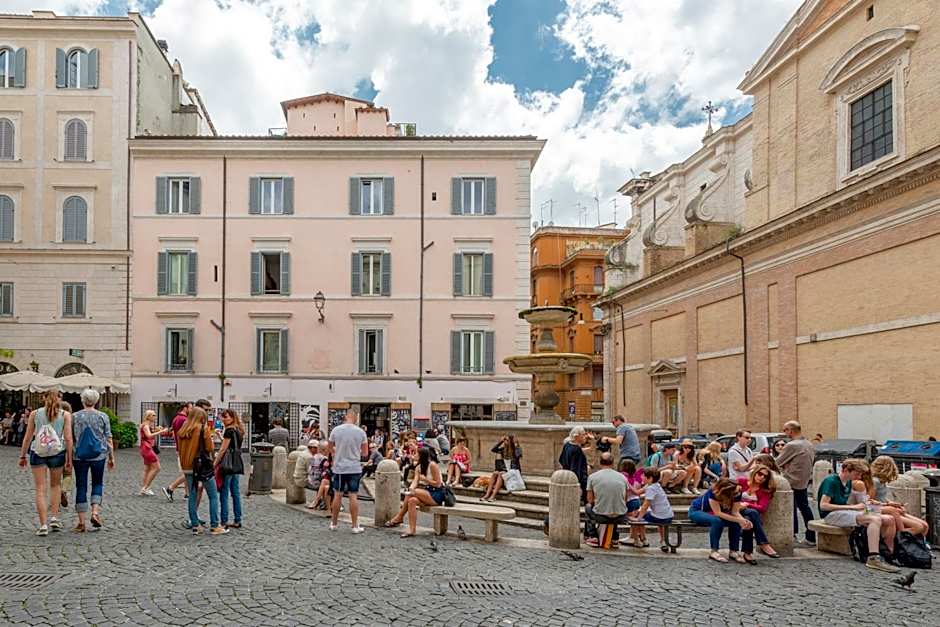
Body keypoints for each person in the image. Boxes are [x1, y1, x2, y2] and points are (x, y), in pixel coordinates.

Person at [817, 458, 898, 572]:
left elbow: (858, 502)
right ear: (846, 470)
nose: (859, 477)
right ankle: (873, 557)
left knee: (889, 519)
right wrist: (852, 507)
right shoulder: (832, 481)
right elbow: (823, 505)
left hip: (843, 512)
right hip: (830, 515)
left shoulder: (849, 482)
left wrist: (875, 505)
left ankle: (888, 554)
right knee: (873, 520)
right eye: (857, 473)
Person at [18, 390, 73, 536]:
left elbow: (28, 437)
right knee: (55, 486)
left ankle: (43, 525)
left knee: (40, 489)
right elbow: (68, 438)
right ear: (60, 399)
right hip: (57, 452)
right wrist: (69, 459)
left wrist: (22, 456)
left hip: (38, 452)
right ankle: (54, 517)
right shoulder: (65, 415)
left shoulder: (34, 414)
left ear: (43, 398)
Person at [177, 407, 227, 535]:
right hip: (201, 466)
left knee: (192, 496)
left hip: (187, 466)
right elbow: (209, 447)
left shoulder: (183, 429)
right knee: (213, 496)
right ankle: (215, 525)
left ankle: (195, 526)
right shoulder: (202, 428)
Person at [70, 388, 114, 533]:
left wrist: (68, 457)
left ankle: (81, 522)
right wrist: (111, 457)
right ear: (96, 401)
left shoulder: (74, 417)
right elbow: (108, 438)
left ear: (83, 400)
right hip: (99, 455)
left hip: (79, 455)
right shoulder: (103, 416)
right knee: (97, 483)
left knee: (81, 486)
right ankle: (95, 513)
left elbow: (70, 438)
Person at [689, 478, 754, 563]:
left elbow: (735, 512)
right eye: (735, 492)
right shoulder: (714, 492)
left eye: (738, 490)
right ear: (727, 492)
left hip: (715, 514)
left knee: (735, 522)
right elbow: (718, 513)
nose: (738, 493)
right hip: (697, 511)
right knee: (717, 521)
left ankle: (733, 551)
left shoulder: (737, 490)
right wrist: (739, 520)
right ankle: (714, 551)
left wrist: (743, 520)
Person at [384, 447, 445, 538]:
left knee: (414, 492)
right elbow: (415, 481)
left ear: (422, 456)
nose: (414, 455)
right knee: (412, 500)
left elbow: (438, 484)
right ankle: (412, 530)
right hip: (427, 492)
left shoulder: (432, 465)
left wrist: (426, 480)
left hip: (437, 494)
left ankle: (400, 516)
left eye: (416, 454)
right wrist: (410, 489)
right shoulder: (418, 467)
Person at [328, 409, 368, 533]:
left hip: (339, 467)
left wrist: (337, 453)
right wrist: (356, 452)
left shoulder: (336, 430)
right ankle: (355, 526)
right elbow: (365, 453)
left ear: (346, 417)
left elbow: (330, 447)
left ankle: (334, 524)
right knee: (353, 495)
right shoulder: (360, 432)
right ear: (355, 417)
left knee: (337, 494)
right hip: (354, 467)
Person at [868, 455, 929, 538]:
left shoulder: (882, 481)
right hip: (875, 509)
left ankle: (919, 546)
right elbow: (870, 501)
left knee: (925, 525)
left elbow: (881, 497)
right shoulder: (875, 481)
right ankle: (901, 538)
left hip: (884, 507)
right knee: (918, 527)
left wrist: (891, 503)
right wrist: (887, 506)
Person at [776, 420, 816, 545]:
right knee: (805, 508)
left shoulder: (792, 445)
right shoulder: (809, 444)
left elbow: (778, 462)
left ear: (790, 430)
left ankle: (792, 535)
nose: (784, 432)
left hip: (790, 481)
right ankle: (811, 536)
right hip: (803, 481)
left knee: (790, 509)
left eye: (785, 430)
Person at [583, 453, 629, 547]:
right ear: (613, 463)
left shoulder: (592, 477)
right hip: (620, 516)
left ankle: (593, 536)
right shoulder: (622, 477)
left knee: (588, 507)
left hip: (601, 515)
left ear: (600, 463)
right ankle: (614, 537)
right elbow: (625, 499)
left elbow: (590, 500)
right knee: (615, 504)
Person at [737, 466, 780, 559]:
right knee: (753, 514)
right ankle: (763, 543)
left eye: (765, 477)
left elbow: (762, 508)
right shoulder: (741, 482)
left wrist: (747, 504)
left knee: (750, 517)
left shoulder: (765, 491)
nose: (761, 477)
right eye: (760, 474)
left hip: (750, 514)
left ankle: (747, 553)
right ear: (755, 473)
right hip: (736, 510)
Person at [629, 467, 674, 550]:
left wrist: (638, 518)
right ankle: (663, 540)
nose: (641, 477)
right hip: (668, 515)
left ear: (650, 478)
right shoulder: (655, 485)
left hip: (658, 517)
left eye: (643, 476)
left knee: (634, 516)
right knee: (651, 516)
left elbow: (645, 505)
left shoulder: (651, 489)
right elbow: (637, 492)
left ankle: (637, 540)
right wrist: (628, 484)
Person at [214, 409, 245, 530]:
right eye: (222, 417)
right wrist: (221, 437)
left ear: (232, 417)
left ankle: (224, 520)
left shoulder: (229, 430)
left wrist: (215, 463)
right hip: (236, 463)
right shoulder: (238, 429)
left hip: (227, 465)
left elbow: (223, 449)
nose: (223, 419)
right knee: (235, 492)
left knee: (224, 492)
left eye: (226, 417)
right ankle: (238, 519)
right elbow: (233, 445)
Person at [162, 401, 193, 502]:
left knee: (186, 471)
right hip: (184, 448)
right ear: (185, 408)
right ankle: (170, 488)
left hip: (180, 448)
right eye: (191, 408)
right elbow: (185, 435)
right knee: (189, 472)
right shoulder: (183, 419)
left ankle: (187, 494)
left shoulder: (176, 418)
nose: (192, 410)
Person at [481, 434, 523, 502]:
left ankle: (493, 496)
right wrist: (500, 442)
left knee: (501, 474)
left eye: (507, 440)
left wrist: (516, 445)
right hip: (506, 470)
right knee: (495, 473)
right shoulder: (503, 449)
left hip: (514, 472)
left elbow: (518, 455)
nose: (505, 442)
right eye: (504, 440)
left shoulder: (516, 449)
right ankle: (487, 495)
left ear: (511, 441)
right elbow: (493, 450)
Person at [139, 410, 167, 496]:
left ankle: (145, 487)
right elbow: (149, 436)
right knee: (157, 467)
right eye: (153, 415)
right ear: (149, 416)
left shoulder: (146, 425)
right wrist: (160, 432)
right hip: (147, 448)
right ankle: (145, 488)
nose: (155, 416)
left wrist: (156, 430)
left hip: (145, 447)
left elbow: (149, 434)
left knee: (147, 468)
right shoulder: (146, 425)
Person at [620, 459, 645, 547]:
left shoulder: (623, 477)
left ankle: (636, 540)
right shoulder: (637, 477)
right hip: (637, 501)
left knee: (633, 522)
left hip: (629, 501)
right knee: (637, 520)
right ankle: (640, 538)